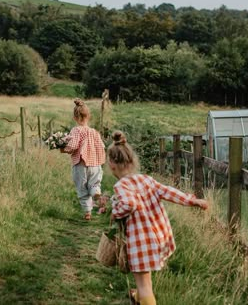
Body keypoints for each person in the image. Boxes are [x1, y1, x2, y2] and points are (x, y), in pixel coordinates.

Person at [107, 130, 208, 305]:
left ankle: (143, 297)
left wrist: (114, 210)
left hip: (141, 240)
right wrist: (193, 201)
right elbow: (169, 192)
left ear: (112, 164)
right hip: (159, 237)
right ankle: (138, 297)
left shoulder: (121, 186)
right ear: (131, 160)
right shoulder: (146, 179)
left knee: (144, 285)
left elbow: (129, 205)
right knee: (146, 282)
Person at [60, 98, 106, 220]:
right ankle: (97, 195)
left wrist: (63, 149)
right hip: (95, 164)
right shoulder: (94, 132)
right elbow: (102, 146)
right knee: (94, 184)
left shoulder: (76, 130)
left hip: (81, 163)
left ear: (75, 117)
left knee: (82, 187)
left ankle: (87, 213)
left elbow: (73, 146)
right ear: (88, 116)